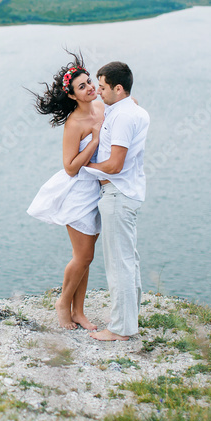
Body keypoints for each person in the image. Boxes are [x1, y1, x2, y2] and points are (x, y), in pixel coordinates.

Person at [27, 51, 105, 331]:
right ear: (72, 96)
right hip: (78, 192)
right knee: (81, 256)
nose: (90, 88)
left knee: (87, 256)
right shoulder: (74, 124)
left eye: (89, 82)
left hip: (98, 191)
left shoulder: (101, 108)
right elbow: (70, 168)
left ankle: (79, 311)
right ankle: (63, 305)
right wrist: (94, 142)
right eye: (82, 86)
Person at [82, 61, 150, 341]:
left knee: (118, 263)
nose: (98, 92)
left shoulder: (123, 117)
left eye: (102, 87)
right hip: (127, 194)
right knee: (128, 260)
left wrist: (84, 169)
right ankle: (128, 319)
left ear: (118, 88)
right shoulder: (133, 109)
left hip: (117, 194)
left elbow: (115, 165)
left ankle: (120, 329)